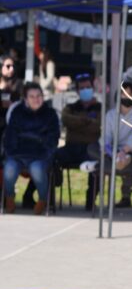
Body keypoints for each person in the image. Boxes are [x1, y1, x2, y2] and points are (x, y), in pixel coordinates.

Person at [86, 80, 132, 208]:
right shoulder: (110, 115)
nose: (126, 97)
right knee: (91, 148)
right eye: (123, 94)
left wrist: (123, 152)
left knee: (125, 163)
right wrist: (109, 149)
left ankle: (100, 165)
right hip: (113, 153)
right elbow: (105, 137)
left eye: (129, 94)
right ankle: (113, 163)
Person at [2, 82, 59, 214]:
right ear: (26, 99)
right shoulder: (17, 112)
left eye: (39, 96)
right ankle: (9, 197)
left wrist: (45, 153)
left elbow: (52, 139)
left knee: (37, 169)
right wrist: (12, 153)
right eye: (32, 96)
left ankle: (43, 200)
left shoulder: (50, 114)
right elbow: (10, 136)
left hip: (40, 155)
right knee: (9, 169)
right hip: (18, 154)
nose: (36, 99)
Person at [55, 73, 101, 210]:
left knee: (97, 165)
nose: (85, 90)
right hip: (71, 147)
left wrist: (77, 123)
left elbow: (97, 126)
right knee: (51, 157)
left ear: (92, 88)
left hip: (90, 148)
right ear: (77, 91)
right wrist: (86, 120)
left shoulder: (100, 107)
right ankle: (49, 199)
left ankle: (90, 201)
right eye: (82, 88)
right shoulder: (71, 107)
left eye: (88, 87)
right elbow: (65, 119)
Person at [0, 54, 22, 150]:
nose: (11, 69)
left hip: (9, 122)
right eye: (8, 66)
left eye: (13, 66)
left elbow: (20, 102)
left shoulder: (17, 83)